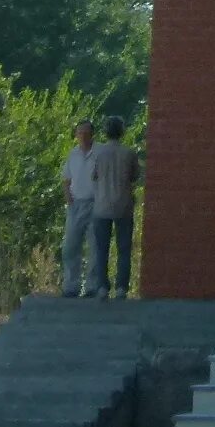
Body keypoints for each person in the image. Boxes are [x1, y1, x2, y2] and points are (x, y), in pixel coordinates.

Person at [87, 116, 139, 299]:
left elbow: (94, 176)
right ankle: (121, 287)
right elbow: (135, 177)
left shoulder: (99, 154)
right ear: (122, 132)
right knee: (124, 248)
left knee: (101, 249)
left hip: (101, 206)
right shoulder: (129, 153)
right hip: (123, 205)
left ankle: (102, 286)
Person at [58, 119, 97, 297]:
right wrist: (69, 200)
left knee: (95, 247)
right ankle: (71, 286)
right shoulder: (72, 154)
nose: (83, 135)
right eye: (79, 132)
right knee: (70, 247)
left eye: (86, 132)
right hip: (76, 205)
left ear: (92, 134)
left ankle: (92, 286)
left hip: (95, 204)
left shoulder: (99, 153)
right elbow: (66, 180)